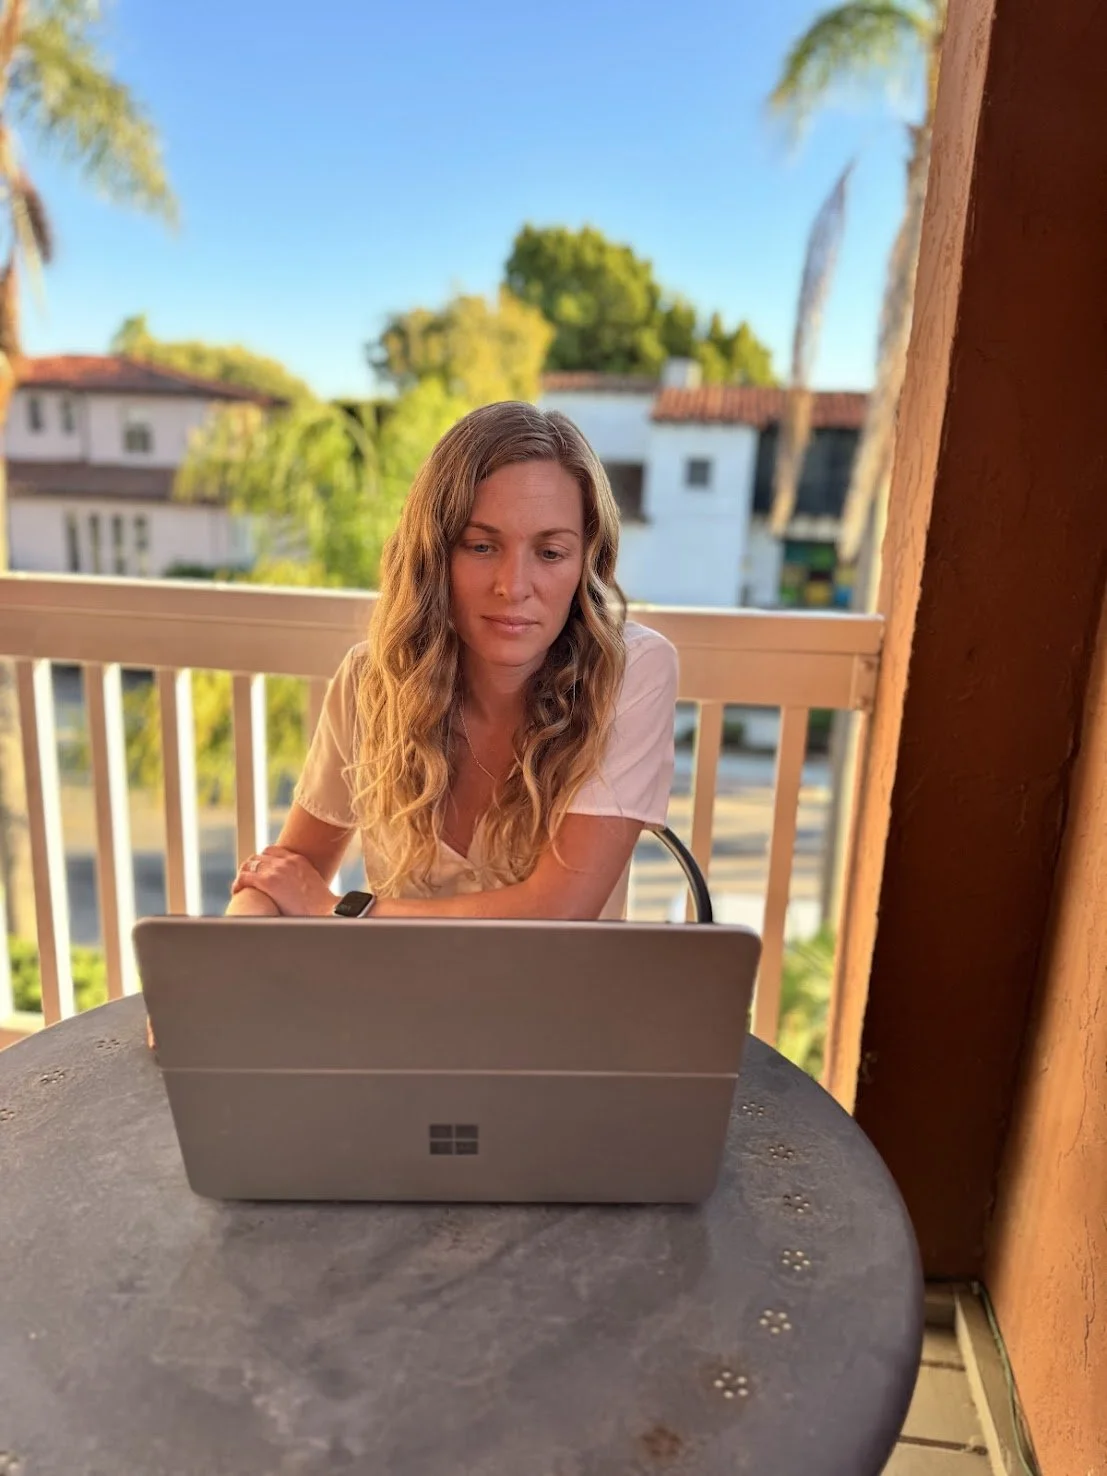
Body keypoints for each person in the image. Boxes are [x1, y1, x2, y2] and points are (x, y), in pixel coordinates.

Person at [229, 399, 678, 923]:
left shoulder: (630, 672)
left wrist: (343, 911)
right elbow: (286, 874)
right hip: (390, 979)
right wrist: (232, 936)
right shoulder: (372, 680)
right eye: (481, 546)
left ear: (587, 563)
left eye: (550, 553)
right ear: (434, 554)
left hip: (552, 983)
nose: (513, 586)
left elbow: (559, 912)